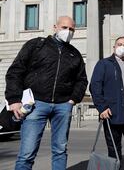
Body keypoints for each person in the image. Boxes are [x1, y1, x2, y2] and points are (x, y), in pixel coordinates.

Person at [5, 16, 88, 170]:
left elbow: (82, 80)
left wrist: (73, 100)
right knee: (27, 153)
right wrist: (14, 99)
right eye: (64, 28)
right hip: (36, 104)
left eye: (71, 29)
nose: (68, 32)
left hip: (63, 105)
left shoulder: (75, 54)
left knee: (60, 151)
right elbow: (15, 71)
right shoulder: (36, 45)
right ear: (55, 27)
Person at [90, 36, 124, 170]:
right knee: (114, 149)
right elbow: (95, 86)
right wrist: (102, 108)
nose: (122, 46)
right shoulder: (104, 64)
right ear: (114, 47)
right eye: (119, 44)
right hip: (112, 113)